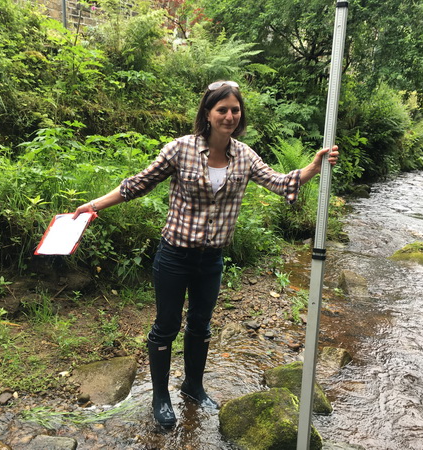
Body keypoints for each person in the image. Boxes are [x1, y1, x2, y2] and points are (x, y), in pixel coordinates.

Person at [73, 80, 339, 429]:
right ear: (208, 114)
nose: (229, 116)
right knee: (166, 326)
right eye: (222, 109)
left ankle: (193, 386)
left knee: (200, 324)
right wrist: (93, 206)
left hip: (211, 260)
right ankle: (160, 397)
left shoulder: (244, 155)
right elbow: (136, 184)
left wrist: (313, 168)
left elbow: (278, 182)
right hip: (174, 256)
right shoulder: (180, 149)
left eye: (235, 110)